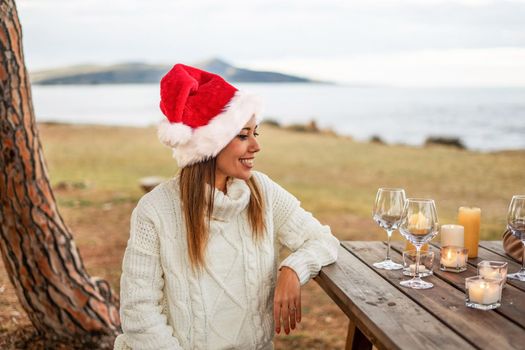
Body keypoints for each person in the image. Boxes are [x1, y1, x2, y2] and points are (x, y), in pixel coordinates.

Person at [114, 64, 339, 350]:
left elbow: (323, 240)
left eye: (255, 133)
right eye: (243, 136)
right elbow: (139, 314)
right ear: (211, 145)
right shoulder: (155, 210)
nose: (256, 146)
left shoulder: (263, 192)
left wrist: (293, 269)